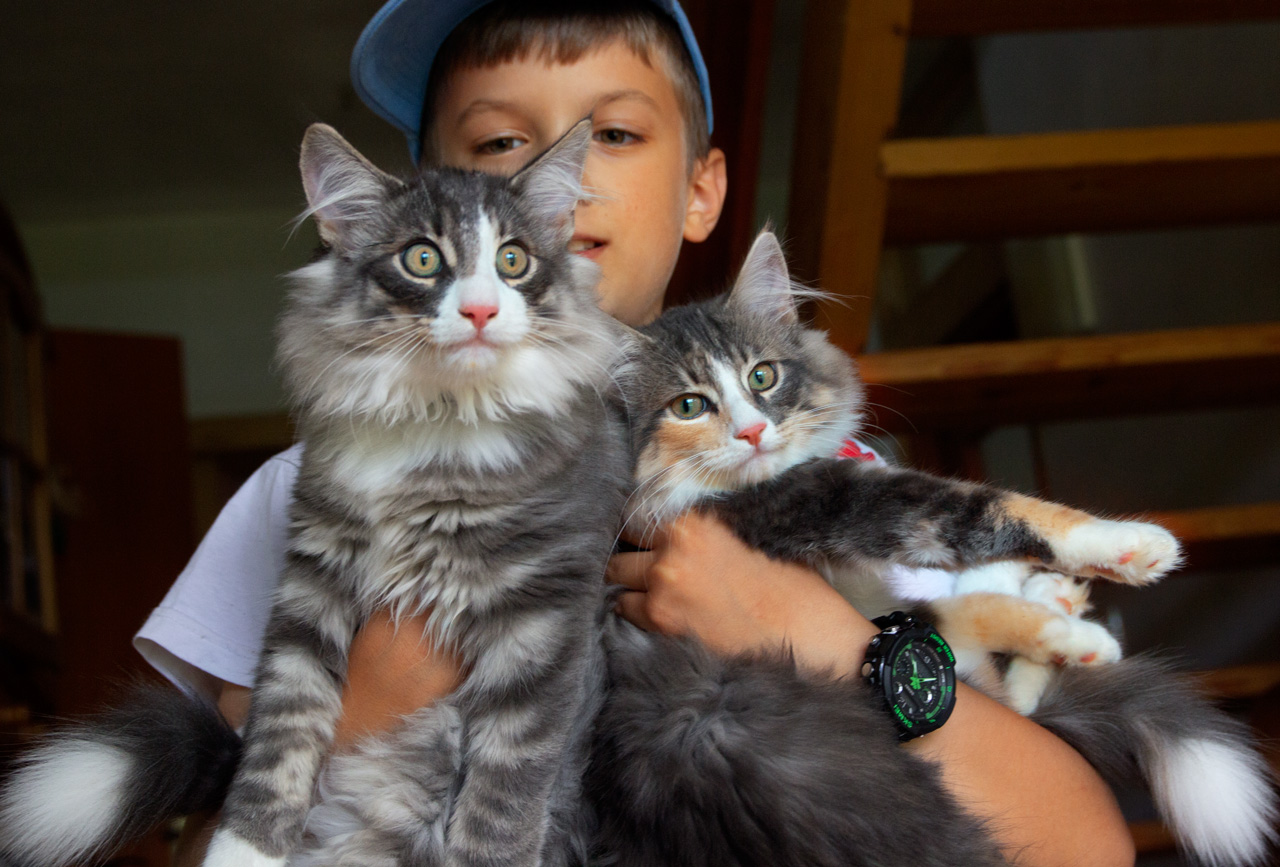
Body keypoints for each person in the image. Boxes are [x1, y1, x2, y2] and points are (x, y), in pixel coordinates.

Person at [137, 3, 1135, 865]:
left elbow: (1084, 845)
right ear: (430, 209)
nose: (560, 177)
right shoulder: (310, 486)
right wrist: (378, 688)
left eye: (613, 133)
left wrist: (821, 635)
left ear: (701, 191)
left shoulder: (823, 473)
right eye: (498, 143)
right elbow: (207, 838)